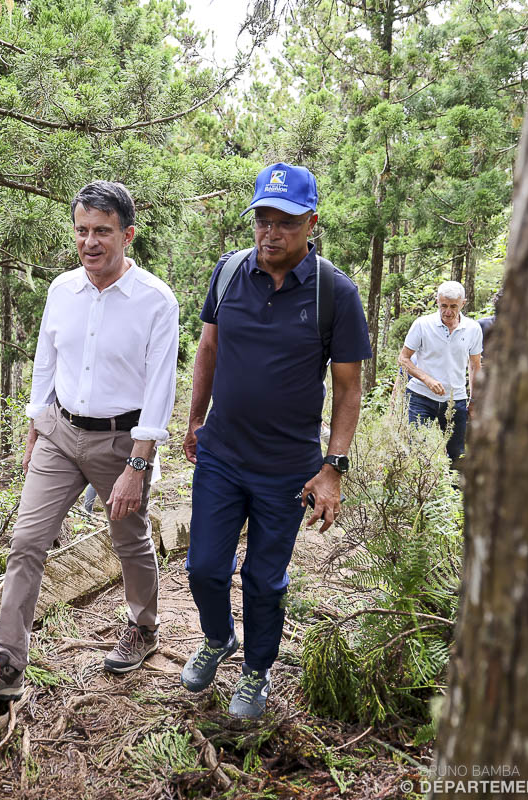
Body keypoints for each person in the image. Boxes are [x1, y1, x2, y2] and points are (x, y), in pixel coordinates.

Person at [0, 180, 180, 708]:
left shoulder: (155, 300)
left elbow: (159, 389)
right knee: (27, 543)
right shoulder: (61, 290)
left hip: (123, 440)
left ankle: (143, 628)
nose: (90, 242)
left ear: (127, 232)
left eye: (102, 231)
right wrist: (35, 428)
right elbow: (45, 365)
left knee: (129, 540)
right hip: (59, 432)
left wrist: (137, 466)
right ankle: (7, 661)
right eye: (82, 231)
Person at [181, 162, 371, 718]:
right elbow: (209, 350)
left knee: (263, 577)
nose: (270, 231)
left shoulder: (336, 293)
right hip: (221, 454)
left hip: (287, 468)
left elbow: (349, 389)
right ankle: (219, 639)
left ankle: (257, 671)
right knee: (203, 568)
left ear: (311, 222)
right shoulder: (228, 272)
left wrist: (333, 468)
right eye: (262, 218)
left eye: (285, 221)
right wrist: (195, 420)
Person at [397, 281, 483, 458]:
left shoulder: (473, 328)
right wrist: (427, 379)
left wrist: (474, 400)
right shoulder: (422, 324)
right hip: (420, 397)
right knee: (418, 452)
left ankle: (453, 487)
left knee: (456, 455)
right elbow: (403, 358)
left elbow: (475, 365)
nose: (448, 312)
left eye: (453, 306)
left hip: (455, 399)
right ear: (437, 301)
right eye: (443, 305)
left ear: (463, 303)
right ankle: (420, 486)